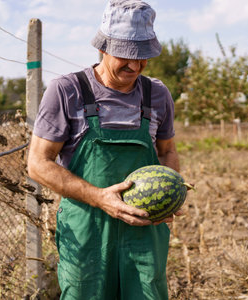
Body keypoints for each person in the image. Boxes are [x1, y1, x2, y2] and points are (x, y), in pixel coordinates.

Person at [27, 0, 181, 299]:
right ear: (103, 47)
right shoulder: (67, 91)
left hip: (144, 233)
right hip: (87, 232)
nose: (135, 65)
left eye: (143, 56)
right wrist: (100, 198)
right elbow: (38, 164)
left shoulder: (157, 93)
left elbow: (167, 151)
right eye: (126, 55)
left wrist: (170, 197)